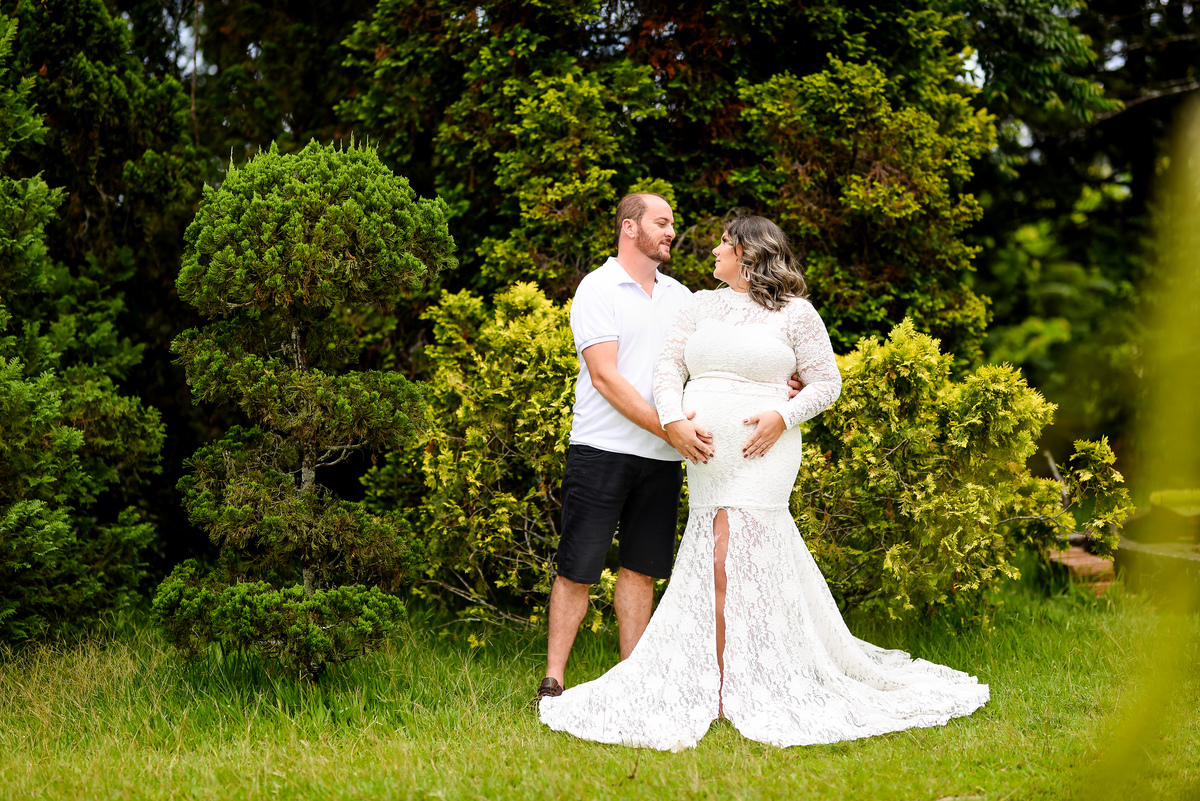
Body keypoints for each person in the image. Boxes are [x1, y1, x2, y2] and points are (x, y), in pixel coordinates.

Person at [539, 215, 989, 750]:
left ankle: (733, 682)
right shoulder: (698, 304)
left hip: (764, 455)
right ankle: (724, 675)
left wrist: (783, 414)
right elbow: (665, 369)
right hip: (705, 456)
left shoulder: (797, 315)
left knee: (732, 558)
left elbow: (827, 383)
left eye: (724, 244)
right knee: (713, 558)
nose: (712, 249)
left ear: (750, 255)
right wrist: (675, 420)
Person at [532, 192, 696, 705]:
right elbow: (605, 376)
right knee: (577, 566)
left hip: (663, 459)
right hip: (601, 450)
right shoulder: (597, 288)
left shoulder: (682, 297)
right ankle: (554, 680)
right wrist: (668, 427)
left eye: (672, 224)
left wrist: (783, 379)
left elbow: (713, 364)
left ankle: (634, 679)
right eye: (662, 222)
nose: (671, 232)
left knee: (642, 568)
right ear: (630, 228)